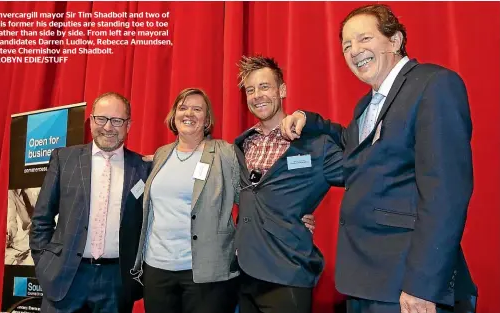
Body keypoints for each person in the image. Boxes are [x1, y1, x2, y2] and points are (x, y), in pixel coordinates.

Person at [280, 4, 477, 313]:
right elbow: (353, 143)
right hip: (365, 282)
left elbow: (446, 193)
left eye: (364, 39)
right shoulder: (366, 104)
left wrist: (423, 285)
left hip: (408, 287)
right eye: (346, 45)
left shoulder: (433, 84)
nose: (354, 51)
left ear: (395, 41)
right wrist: (310, 119)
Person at [131, 87, 317, 313]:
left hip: (206, 273)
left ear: (207, 119)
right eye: (183, 108)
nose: (189, 113)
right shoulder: (162, 154)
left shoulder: (225, 153)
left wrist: (290, 214)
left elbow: (254, 195)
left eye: (197, 109)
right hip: (157, 269)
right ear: (174, 115)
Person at [233, 56, 344, 313]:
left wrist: (314, 121)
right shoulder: (240, 146)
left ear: (282, 90)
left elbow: (362, 164)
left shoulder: (316, 145)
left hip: (288, 275)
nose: (257, 95)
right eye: (250, 90)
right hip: (245, 277)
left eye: (264, 86)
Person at [30, 92, 150, 313]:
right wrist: (44, 263)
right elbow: (41, 218)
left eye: (117, 120)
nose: (108, 127)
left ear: (129, 125)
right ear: (92, 120)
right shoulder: (64, 159)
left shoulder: (143, 167)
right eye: (101, 119)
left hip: (116, 282)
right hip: (65, 275)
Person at [6, 188, 40, 265]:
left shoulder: (36, 187)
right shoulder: (11, 192)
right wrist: (9, 235)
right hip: (29, 236)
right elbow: (12, 219)